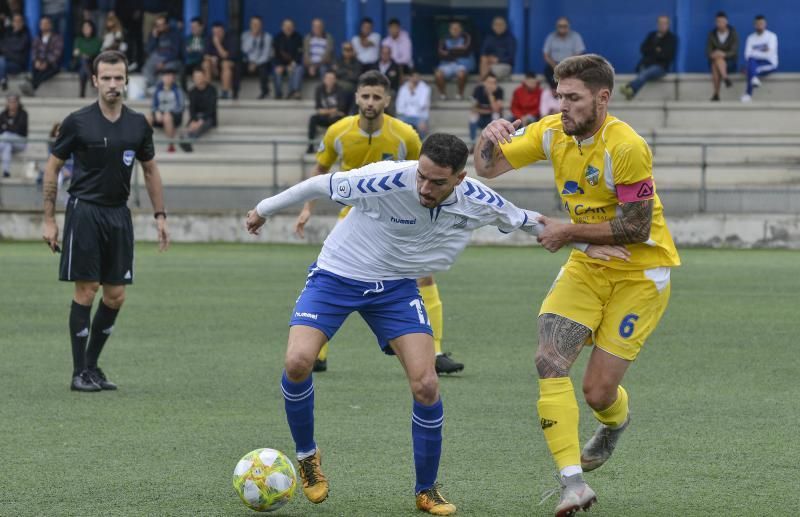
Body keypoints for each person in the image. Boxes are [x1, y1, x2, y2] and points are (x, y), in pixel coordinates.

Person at [245, 132, 627, 516]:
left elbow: (529, 221)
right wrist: (263, 208)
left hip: (395, 287)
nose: (425, 187)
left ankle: (426, 490)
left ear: (460, 178)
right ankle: (308, 457)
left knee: (427, 384)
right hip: (337, 275)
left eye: (437, 182)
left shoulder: (477, 198)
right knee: (297, 362)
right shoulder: (386, 178)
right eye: (421, 177)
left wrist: (585, 245)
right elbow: (317, 184)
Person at [473, 54, 680, 516]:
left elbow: (637, 227)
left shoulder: (626, 146)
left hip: (640, 274)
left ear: (602, 98)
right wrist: (485, 139)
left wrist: (567, 231)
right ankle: (573, 485)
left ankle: (615, 422)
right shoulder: (552, 132)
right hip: (587, 266)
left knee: (598, 393)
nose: (561, 106)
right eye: (558, 95)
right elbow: (487, 168)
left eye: (572, 98)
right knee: (549, 360)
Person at [295, 70, 465, 375]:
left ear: (387, 100)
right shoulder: (338, 132)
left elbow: (424, 176)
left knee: (423, 275)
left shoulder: (406, 135)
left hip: (397, 221)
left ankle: (435, 352)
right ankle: (317, 354)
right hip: (353, 219)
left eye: (377, 97)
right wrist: (307, 208)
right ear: (357, 96)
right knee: (332, 275)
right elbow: (320, 172)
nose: (370, 102)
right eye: (365, 96)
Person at [41, 50, 169, 392]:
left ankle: (93, 367)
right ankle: (78, 372)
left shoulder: (137, 124)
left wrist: (160, 215)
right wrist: (49, 220)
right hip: (85, 211)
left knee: (115, 296)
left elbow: (151, 168)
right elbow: (53, 167)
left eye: (118, 77)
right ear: (95, 81)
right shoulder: (77, 122)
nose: (113, 84)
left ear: (126, 80)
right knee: (87, 289)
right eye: (106, 78)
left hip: (118, 214)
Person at [620, 15, 677, 100]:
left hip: (661, 67)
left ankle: (630, 87)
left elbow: (667, 55)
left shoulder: (671, 38)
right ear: (657, 24)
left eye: (665, 23)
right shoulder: (652, 35)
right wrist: (656, 50)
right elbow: (643, 49)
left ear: (668, 25)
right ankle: (630, 93)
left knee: (645, 74)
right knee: (644, 72)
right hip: (646, 64)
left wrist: (653, 51)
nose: (662, 25)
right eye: (660, 23)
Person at [306, 70, 348, 153]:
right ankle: (310, 145)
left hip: (335, 118)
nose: (329, 80)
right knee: (313, 119)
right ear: (324, 79)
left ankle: (337, 148)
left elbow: (341, 108)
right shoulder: (319, 89)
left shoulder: (340, 89)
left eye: (332, 78)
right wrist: (332, 111)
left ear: (335, 80)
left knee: (340, 119)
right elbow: (318, 108)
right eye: (328, 78)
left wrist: (326, 111)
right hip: (324, 117)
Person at [147, 67, 185, 153]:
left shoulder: (177, 90)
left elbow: (181, 106)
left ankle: (171, 145)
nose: (167, 78)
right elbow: (154, 105)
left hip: (175, 116)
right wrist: (156, 112)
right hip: (160, 114)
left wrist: (169, 112)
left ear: (173, 78)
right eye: (165, 76)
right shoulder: (158, 89)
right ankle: (146, 144)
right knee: (148, 118)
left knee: (167, 117)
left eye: (169, 76)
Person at [741, 15, 778, 103]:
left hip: (769, 63)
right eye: (758, 24)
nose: (760, 25)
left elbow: (769, 54)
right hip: (754, 63)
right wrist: (763, 50)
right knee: (751, 61)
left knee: (750, 69)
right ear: (754, 25)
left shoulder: (771, 36)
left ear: (765, 24)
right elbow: (747, 55)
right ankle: (754, 79)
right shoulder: (750, 38)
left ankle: (748, 94)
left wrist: (754, 53)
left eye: (762, 23)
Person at [179, 68, 217, 153]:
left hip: (208, 117)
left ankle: (188, 139)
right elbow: (191, 109)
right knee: (190, 125)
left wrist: (201, 120)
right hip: (196, 117)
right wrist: (194, 120)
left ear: (204, 77)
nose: (197, 79)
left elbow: (211, 109)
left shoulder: (212, 90)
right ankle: (187, 139)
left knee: (202, 124)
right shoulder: (192, 91)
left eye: (199, 76)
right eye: (195, 77)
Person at [434, 21, 474, 101]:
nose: (455, 30)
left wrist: (449, 52)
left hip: (462, 64)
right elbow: (440, 54)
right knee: (438, 74)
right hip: (446, 64)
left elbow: (466, 50)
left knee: (461, 74)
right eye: (453, 28)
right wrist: (457, 51)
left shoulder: (466, 37)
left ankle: (459, 94)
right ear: (450, 30)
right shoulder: (444, 39)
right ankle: (443, 95)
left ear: (461, 29)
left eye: (457, 28)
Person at [24, 15, 64, 94]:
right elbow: (34, 51)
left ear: (50, 25)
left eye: (46, 23)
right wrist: (36, 61)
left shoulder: (57, 38)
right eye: (42, 24)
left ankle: (32, 84)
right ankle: (33, 85)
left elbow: (57, 53)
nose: (44, 25)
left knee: (49, 69)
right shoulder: (37, 38)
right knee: (35, 67)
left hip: (52, 64)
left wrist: (46, 62)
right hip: (39, 63)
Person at [542, 17, 585, 88]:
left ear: (569, 26)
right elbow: (546, 54)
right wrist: (555, 66)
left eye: (564, 26)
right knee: (547, 71)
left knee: (578, 72)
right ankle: (555, 90)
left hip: (571, 64)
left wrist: (567, 64)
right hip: (554, 65)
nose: (562, 28)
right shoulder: (551, 37)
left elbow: (580, 53)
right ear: (557, 27)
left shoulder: (576, 36)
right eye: (560, 26)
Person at [706, 11, 739, 101]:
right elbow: (708, 51)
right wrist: (714, 54)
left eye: (722, 21)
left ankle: (716, 94)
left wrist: (723, 54)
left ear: (726, 22)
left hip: (730, 62)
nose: (720, 24)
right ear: (716, 23)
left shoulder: (733, 33)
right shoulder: (712, 34)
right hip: (715, 61)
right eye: (718, 22)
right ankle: (725, 78)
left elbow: (734, 51)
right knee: (716, 62)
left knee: (717, 62)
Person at [142, 14, 181, 88]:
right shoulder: (154, 34)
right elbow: (149, 51)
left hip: (170, 59)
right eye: (157, 25)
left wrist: (164, 62)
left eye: (161, 25)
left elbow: (176, 52)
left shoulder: (175, 34)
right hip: (157, 58)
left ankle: (159, 87)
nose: (159, 27)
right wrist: (154, 38)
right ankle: (154, 86)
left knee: (167, 70)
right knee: (146, 68)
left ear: (167, 25)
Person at [203, 21, 238, 99]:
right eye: (214, 32)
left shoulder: (231, 38)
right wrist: (212, 59)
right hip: (214, 64)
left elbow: (226, 55)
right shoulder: (209, 38)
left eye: (218, 32)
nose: (216, 34)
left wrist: (217, 44)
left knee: (225, 64)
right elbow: (205, 55)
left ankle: (225, 92)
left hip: (229, 65)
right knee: (205, 64)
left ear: (223, 31)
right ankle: (207, 92)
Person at [240, 15, 272, 99]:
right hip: (247, 62)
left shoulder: (267, 37)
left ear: (261, 25)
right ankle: (235, 92)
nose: (255, 26)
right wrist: (252, 37)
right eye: (253, 24)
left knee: (264, 67)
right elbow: (244, 50)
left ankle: (265, 92)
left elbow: (266, 55)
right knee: (236, 66)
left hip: (260, 62)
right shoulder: (245, 36)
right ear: (250, 24)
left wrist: (255, 63)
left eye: (257, 24)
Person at [272, 18, 304, 100]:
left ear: (294, 27)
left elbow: (299, 54)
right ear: (282, 27)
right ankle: (278, 94)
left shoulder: (298, 37)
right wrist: (279, 65)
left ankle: (294, 92)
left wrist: (292, 64)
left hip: (293, 63)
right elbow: (274, 54)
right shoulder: (277, 38)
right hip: (280, 64)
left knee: (298, 68)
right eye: (286, 26)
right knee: (276, 70)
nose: (288, 28)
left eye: (290, 26)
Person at [469, 73, 503, 144]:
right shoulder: (478, 89)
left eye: (493, 83)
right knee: (472, 116)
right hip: (481, 116)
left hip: (491, 117)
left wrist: (490, 95)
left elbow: (496, 109)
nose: (491, 85)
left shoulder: (499, 90)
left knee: (496, 115)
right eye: (489, 82)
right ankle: (473, 142)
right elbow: (473, 108)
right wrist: (486, 111)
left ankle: (495, 142)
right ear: (484, 82)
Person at [0, 13, 31, 91]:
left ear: (23, 22)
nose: (17, 23)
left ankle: (3, 80)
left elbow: (19, 48)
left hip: (17, 64)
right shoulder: (7, 32)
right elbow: (2, 45)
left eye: (19, 21)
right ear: (12, 22)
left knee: (1, 60)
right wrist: (9, 50)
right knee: (1, 61)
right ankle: (3, 79)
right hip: (5, 62)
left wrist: (7, 50)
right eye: (15, 21)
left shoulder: (25, 34)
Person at [396, 71, 431, 139]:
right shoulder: (403, 88)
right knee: (398, 126)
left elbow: (422, 105)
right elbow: (400, 106)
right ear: (410, 78)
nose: (415, 79)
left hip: (420, 115)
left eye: (417, 77)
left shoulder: (425, 88)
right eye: (413, 77)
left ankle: (420, 145)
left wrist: (412, 92)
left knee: (422, 127)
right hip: (405, 115)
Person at [479, 16, 516, 80]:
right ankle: (484, 84)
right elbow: (483, 52)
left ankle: (482, 84)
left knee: (489, 69)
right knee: (484, 61)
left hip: (504, 65)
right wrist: (486, 58)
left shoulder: (510, 39)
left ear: (505, 26)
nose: (498, 26)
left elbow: (511, 58)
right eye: (496, 24)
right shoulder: (489, 38)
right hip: (488, 64)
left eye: (501, 24)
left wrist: (497, 60)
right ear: (493, 26)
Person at [73, 20, 103, 97]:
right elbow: (75, 53)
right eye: (84, 28)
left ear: (92, 28)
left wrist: (83, 53)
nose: (86, 29)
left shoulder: (97, 40)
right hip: (78, 63)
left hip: (92, 62)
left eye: (88, 27)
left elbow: (95, 51)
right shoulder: (78, 40)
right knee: (83, 62)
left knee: (83, 69)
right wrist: (84, 54)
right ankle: (92, 80)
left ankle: (82, 94)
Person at [0, 94, 27, 177]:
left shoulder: (23, 114)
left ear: (18, 103)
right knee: (7, 146)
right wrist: (10, 127)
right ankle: (6, 171)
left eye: (14, 101)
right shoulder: (3, 114)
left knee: (6, 135)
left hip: (20, 141)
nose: (12, 103)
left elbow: (20, 129)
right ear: (7, 103)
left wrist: (7, 127)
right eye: (10, 101)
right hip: (7, 142)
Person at [182, 17, 205, 91]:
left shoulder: (206, 38)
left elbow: (205, 52)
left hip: (202, 62)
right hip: (190, 62)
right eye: (191, 27)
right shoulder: (188, 38)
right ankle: (185, 92)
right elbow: (185, 53)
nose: (193, 29)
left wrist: (194, 51)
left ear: (201, 27)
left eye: (195, 27)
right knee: (182, 70)